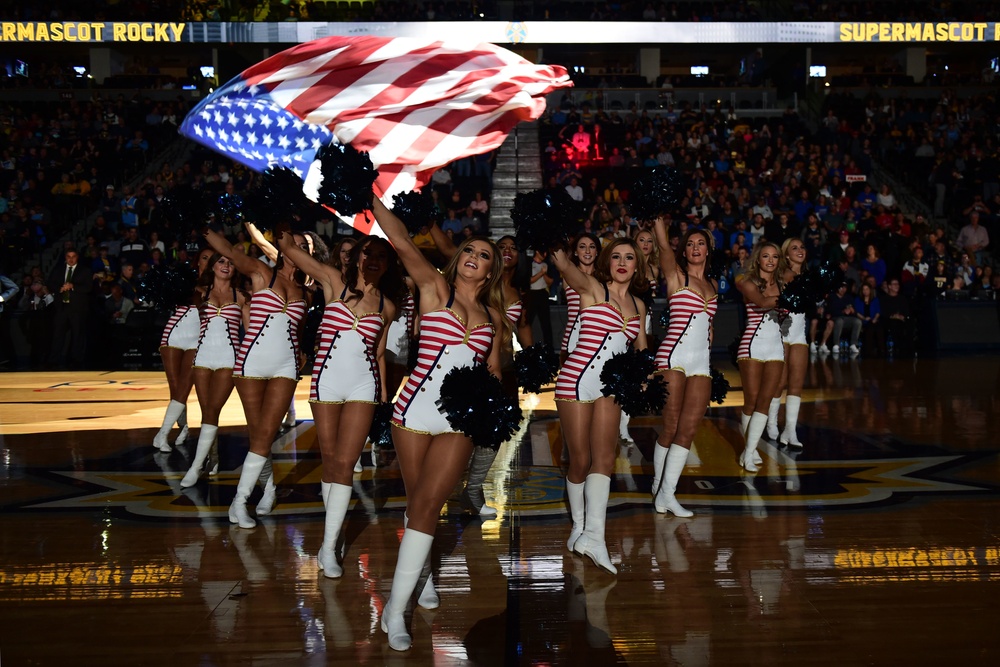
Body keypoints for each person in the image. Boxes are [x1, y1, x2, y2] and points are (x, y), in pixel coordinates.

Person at [371, 197, 506, 652]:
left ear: (491, 271)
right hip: (412, 412)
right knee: (417, 505)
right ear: (458, 258)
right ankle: (420, 576)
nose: (473, 258)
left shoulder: (494, 319)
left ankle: (394, 608)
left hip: (459, 421)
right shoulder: (433, 287)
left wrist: (496, 412)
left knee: (431, 503)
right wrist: (370, 195)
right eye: (469, 250)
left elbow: (493, 376)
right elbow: (401, 240)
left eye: (484, 255)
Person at [278, 232, 402, 578]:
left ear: (388, 264)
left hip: (363, 384)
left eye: (381, 255)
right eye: (368, 253)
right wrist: (284, 224)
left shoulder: (387, 306)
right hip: (326, 380)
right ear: (358, 258)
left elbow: (378, 353)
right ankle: (332, 533)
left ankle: (329, 545)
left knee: (346, 463)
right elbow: (289, 249)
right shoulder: (334, 282)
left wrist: (382, 398)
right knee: (331, 460)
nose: (373, 259)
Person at [204, 227, 313, 529]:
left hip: (286, 367)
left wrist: (302, 352)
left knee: (267, 433)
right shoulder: (263, 273)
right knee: (258, 434)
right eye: (298, 243)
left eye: (307, 247)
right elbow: (229, 248)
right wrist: (202, 226)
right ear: (285, 246)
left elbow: (299, 331)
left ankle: (238, 502)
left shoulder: (307, 292)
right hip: (250, 362)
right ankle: (270, 489)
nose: (302, 249)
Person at [552, 238, 648, 575]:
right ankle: (578, 526)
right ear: (607, 262)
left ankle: (595, 536)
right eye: (617, 257)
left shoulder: (638, 304)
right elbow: (564, 265)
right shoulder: (592, 287)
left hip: (611, 386)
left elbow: (640, 350)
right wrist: (554, 240)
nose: (623, 262)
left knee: (605, 459)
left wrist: (644, 379)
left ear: (638, 265)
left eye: (630, 257)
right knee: (579, 460)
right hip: (577, 378)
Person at [650, 219, 717, 517]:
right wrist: (658, 220)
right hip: (672, 357)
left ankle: (667, 494)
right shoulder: (677, 276)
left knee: (688, 429)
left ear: (708, 249)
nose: (694, 248)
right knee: (671, 425)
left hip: (701, 361)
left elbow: (709, 325)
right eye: (689, 243)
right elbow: (663, 245)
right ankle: (658, 485)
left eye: (700, 243)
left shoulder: (713, 285)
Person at [179, 252, 248, 487]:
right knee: (208, 410)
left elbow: (249, 333)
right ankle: (213, 457)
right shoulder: (200, 291)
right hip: (203, 357)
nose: (226, 265)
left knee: (212, 409)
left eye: (230, 262)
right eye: (221, 261)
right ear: (212, 265)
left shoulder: (242, 296)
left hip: (229, 358)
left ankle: (196, 466)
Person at [151, 248, 212, 452]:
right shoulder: (186, 278)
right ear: (197, 261)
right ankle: (183, 427)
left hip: (198, 337)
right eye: (205, 257)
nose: (208, 261)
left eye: (212, 259)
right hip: (175, 331)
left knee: (184, 387)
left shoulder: (220, 281)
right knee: (175, 387)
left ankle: (162, 434)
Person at [735, 242, 785, 472]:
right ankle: (751, 449)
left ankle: (748, 452)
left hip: (776, 347)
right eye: (766, 256)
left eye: (775, 256)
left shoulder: (784, 283)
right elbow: (763, 302)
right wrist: (793, 298)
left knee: (765, 402)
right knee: (752, 401)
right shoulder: (746, 282)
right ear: (758, 259)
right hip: (752, 346)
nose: (771, 260)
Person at [769, 238, 809, 448]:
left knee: (796, 384)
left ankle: (790, 431)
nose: (800, 250)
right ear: (786, 255)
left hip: (799, 333)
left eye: (802, 247)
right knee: (780, 381)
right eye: (794, 248)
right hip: (782, 331)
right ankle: (772, 422)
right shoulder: (785, 274)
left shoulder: (807, 276)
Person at [47, 248, 94, 369]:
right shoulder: (58, 270)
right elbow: (51, 283)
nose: (71, 259)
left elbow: (88, 288)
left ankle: (76, 360)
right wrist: (59, 288)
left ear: (77, 257)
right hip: (62, 307)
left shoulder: (85, 271)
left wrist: (73, 286)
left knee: (77, 334)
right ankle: (53, 360)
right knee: (58, 334)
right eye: (68, 256)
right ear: (65, 257)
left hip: (77, 308)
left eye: (73, 256)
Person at [559, 234, 600, 363]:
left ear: (597, 251)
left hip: (598, 342)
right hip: (571, 342)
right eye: (582, 247)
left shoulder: (605, 279)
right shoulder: (568, 277)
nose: (587, 251)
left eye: (592, 247)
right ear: (576, 252)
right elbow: (562, 262)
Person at [828, 281, 862, 356]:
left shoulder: (848, 297)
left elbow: (854, 311)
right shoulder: (832, 297)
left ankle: (853, 344)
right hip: (836, 318)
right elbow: (831, 311)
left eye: (845, 288)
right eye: (841, 287)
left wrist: (852, 311)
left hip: (847, 319)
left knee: (857, 322)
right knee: (839, 321)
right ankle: (836, 345)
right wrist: (843, 311)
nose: (843, 289)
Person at [854, 282, 883, 356]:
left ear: (870, 290)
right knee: (870, 327)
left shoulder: (875, 300)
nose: (865, 291)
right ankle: (868, 351)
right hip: (863, 320)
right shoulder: (858, 300)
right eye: (863, 289)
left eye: (867, 289)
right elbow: (856, 312)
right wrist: (864, 318)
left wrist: (875, 319)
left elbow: (878, 311)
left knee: (878, 328)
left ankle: (881, 350)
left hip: (874, 320)